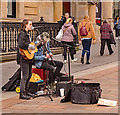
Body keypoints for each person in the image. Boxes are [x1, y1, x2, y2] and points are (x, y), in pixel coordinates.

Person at [17, 19, 35, 100]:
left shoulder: (28, 34)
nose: (31, 26)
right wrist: (28, 46)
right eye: (30, 24)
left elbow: (31, 46)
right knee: (25, 75)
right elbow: (21, 44)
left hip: (28, 57)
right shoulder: (22, 34)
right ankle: (22, 93)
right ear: (25, 25)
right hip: (23, 57)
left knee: (29, 75)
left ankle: (27, 91)